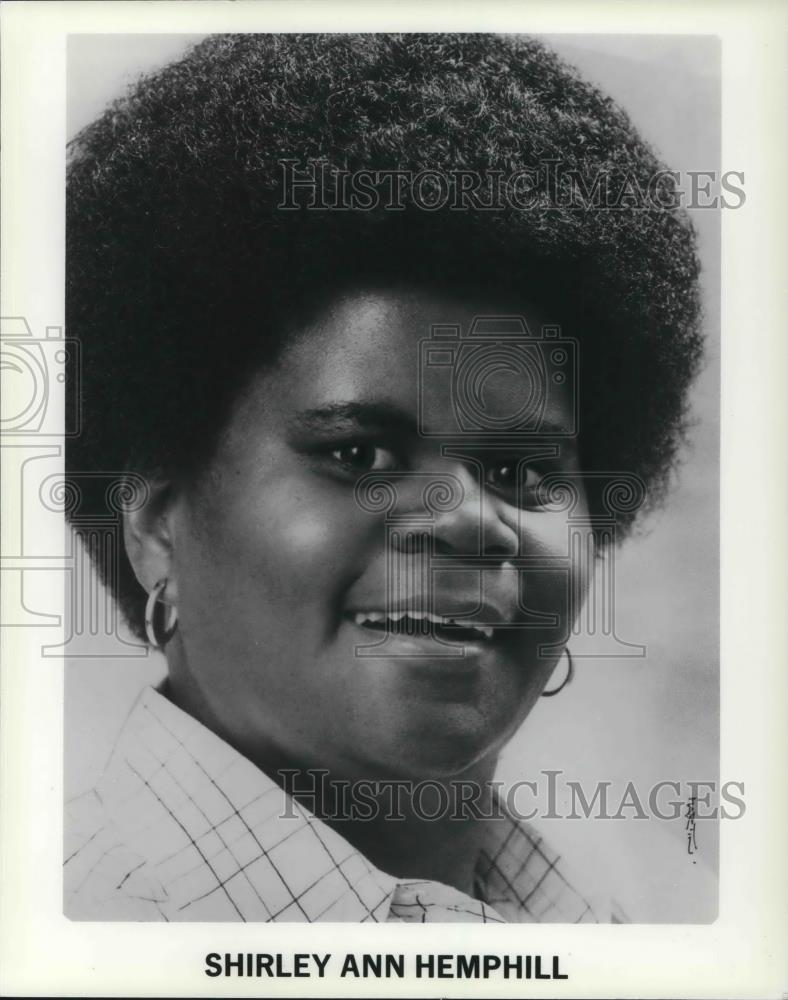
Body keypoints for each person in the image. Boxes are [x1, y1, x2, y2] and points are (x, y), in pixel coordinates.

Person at [63, 33, 702, 922]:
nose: (469, 520)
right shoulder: (78, 926)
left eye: (520, 469)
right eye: (359, 454)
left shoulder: (642, 931)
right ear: (156, 519)